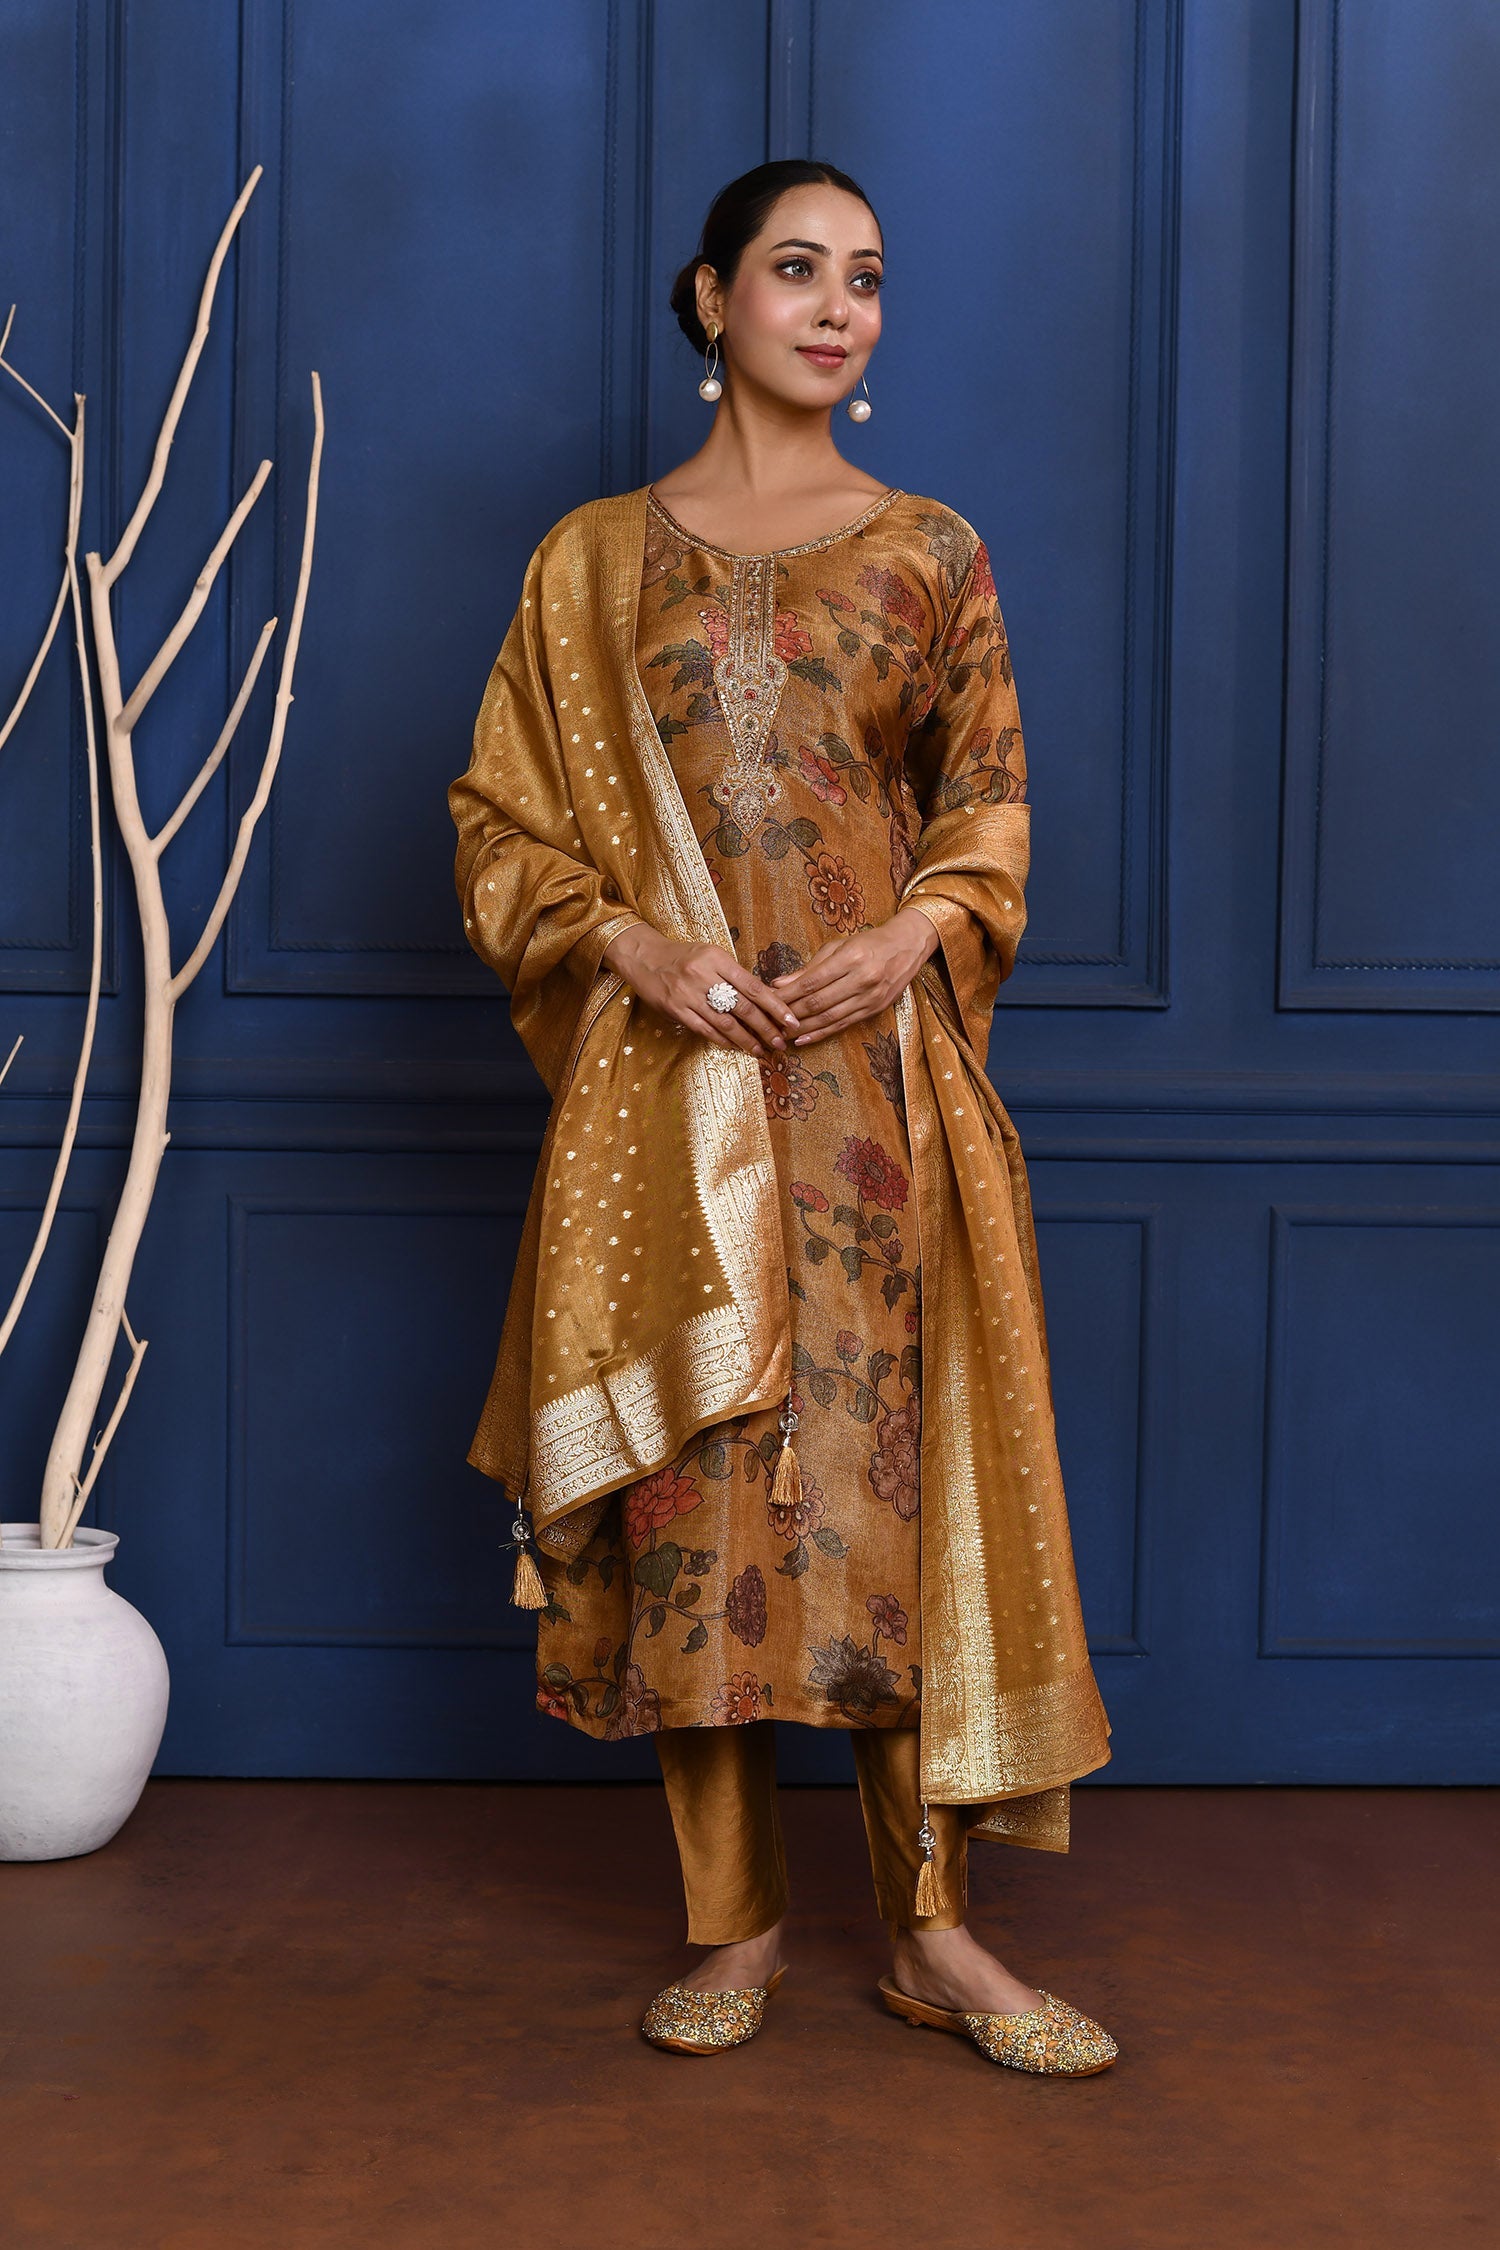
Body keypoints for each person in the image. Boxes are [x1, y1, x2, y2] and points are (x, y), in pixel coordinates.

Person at [448, 159, 1117, 2076]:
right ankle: (732, 1920)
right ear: (711, 296)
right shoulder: (589, 565)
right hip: (671, 1092)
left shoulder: (929, 549)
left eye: (867, 279)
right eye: (800, 270)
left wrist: (914, 932)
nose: (838, 308)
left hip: (875, 1104)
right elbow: (500, 820)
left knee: (900, 1497)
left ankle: (932, 1933)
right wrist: (630, 949)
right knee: (705, 1500)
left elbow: (989, 801)